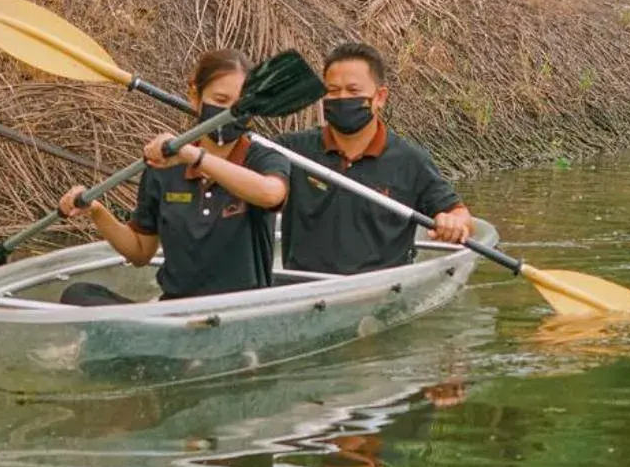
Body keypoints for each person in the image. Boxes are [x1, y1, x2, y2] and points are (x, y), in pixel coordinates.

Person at [58, 49, 290, 302]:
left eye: (240, 104)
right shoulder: (165, 166)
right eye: (221, 100)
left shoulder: (264, 158)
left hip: (241, 313)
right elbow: (139, 253)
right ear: (195, 96)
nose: (230, 112)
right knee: (78, 295)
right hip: (176, 313)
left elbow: (271, 194)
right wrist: (96, 211)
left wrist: (196, 158)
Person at [273, 42, 473, 275]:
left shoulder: (410, 160)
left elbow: (460, 214)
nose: (342, 98)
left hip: (380, 291)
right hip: (303, 288)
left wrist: (453, 222)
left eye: (353, 91)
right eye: (333, 91)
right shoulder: (291, 150)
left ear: (380, 97)